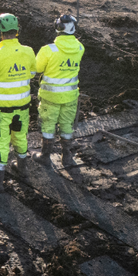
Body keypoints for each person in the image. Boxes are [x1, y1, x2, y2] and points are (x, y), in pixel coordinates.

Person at [0, 13, 36, 193]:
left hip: (2, 111)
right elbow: (32, 74)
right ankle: (23, 170)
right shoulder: (28, 51)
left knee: (1, 142)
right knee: (20, 137)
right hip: (23, 107)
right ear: (18, 30)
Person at [34, 13, 85, 165]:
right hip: (70, 96)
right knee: (67, 124)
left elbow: (37, 68)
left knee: (48, 124)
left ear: (58, 28)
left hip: (50, 96)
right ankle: (67, 156)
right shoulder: (80, 48)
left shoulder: (48, 50)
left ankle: (45, 156)